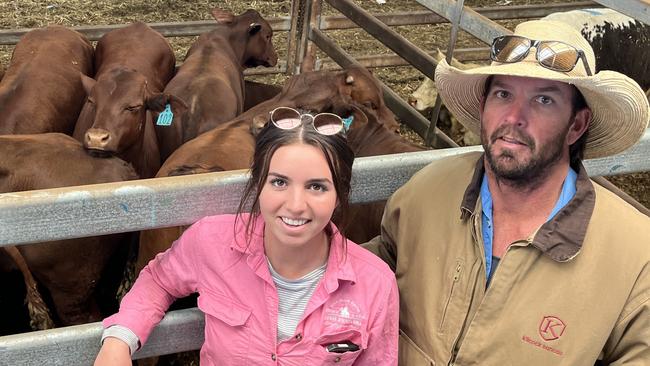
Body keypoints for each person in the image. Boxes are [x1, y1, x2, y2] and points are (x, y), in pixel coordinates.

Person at [365, 20, 649, 365]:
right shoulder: (426, 191)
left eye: (544, 99)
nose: (514, 116)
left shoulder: (634, 256)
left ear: (576, 125)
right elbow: (364, 276)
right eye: (503, 94)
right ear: (484, 105)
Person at [94, 107, 398, 365]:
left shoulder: (375, 284)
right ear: (258, 184)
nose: (295, 205)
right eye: (279, 182)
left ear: (339, 195)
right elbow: (159, 280)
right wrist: (120, 339)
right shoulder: (210, 241)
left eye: (316, 186)